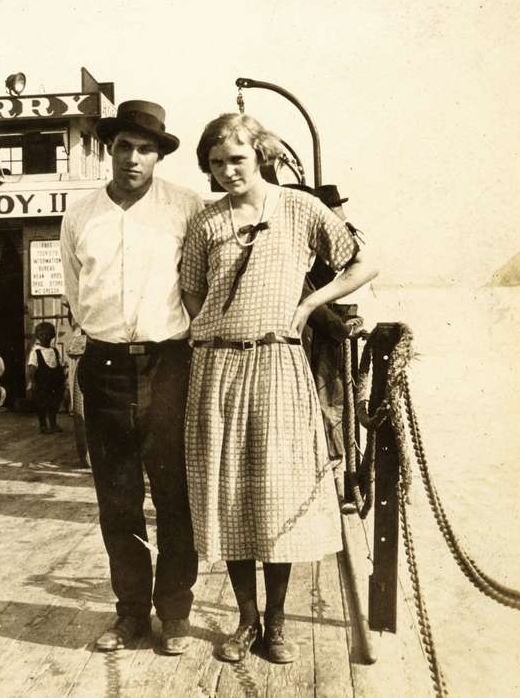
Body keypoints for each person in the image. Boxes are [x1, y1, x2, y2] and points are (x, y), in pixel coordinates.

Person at [180, 113, 378, 664]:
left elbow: (364, 262)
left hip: (278, 368)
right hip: (218, 371)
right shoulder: (206, 222)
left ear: (260, 155)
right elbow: (192, 292)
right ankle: (246, 621)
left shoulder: (299, 209)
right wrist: (221, 330)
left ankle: (278, 623)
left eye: (236, 160)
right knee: (233, 496)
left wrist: (309, 305)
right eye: (216, 163)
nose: (226, 171)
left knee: (277, 494)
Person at [60, 100, 203, 655]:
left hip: (169, 364)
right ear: (109, 148)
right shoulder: (81, 214)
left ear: (159, 155)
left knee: (174, 498)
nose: (134, 158)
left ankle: (176, 615)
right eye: (124, 146)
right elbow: (76, 290)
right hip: (104, 367)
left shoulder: (186, 209)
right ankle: (130, 616)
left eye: (146, 149)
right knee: (117, 500)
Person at [303, 185, 365, 467]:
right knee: (328, 399)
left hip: (330, 327)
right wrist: (340, 328)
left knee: (332, 398)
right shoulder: (315, 245)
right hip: (323, 330)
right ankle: (335, 462)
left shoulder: (341, 238)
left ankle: (337, 460)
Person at [26, 321, 66, 434]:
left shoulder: (54, 350)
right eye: (43, 335)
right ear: (38, 336)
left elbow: (58, 365)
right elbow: (32, 368)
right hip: (42, 382)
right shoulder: (36, 352)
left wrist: (63, 377)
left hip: (54, 382)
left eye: (49, 334)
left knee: (54, 403)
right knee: (42, 403)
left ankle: (53, 424)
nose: (46, 337)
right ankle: (43, 425)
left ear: (53, 335)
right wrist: (32, 382)